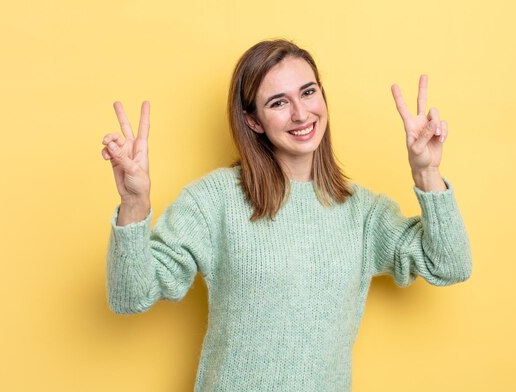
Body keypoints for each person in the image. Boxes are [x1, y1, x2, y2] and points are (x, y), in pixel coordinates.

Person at [100, 39, 472, 391]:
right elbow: (131, 296)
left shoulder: (363, 212)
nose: (300, 113)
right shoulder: (214, 201)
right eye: (278, 102)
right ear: (253, 121)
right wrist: (135, 201)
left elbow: (450, 265)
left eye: (308, 92)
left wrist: (427, 172)